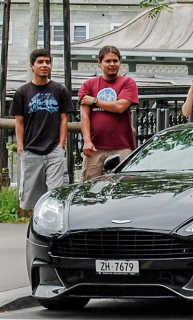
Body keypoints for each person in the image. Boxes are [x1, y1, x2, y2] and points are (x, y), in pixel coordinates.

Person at [11, 48, 74, 212]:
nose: (44, 65)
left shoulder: (59, 90)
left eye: (47, 62)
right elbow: (19, 122)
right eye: (40, 62)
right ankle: (37, 227)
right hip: (31, 149)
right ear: (32, 66)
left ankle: (55, 228)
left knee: (55, 194)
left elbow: (64, 119)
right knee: (32, 196)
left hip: (54, 149)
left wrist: (61, 144)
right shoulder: (22, 92)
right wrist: (20, 146)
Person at [77, 45, 138, 179]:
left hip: (122, 146)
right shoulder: (89, 84)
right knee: (90, 188)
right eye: (108, 61)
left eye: (115, 61)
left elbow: (119, 107)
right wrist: (87, 141)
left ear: (120, 63)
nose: (112, 64)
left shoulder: (128, 83)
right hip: (95, 147)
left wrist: (94, 101)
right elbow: (85, 115)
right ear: (99, 63)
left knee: (122, 187)